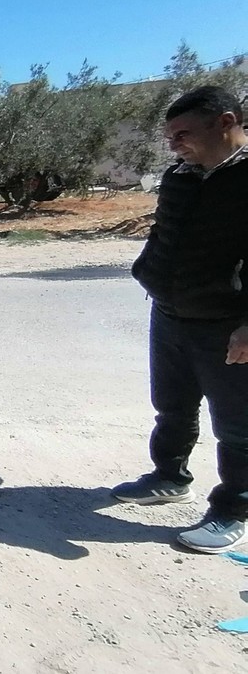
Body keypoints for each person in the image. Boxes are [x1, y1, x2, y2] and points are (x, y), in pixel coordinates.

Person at [116, 86, 248, 554]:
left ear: (225, 122)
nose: (174, 145)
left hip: (226, 323)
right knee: (172, 406)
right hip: (170, 312)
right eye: (170, 136)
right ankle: (169, 477)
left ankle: (233, 510)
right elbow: (163, 233)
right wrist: (149, 271)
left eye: (182, 134)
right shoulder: (180, 176)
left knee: (237, 425)